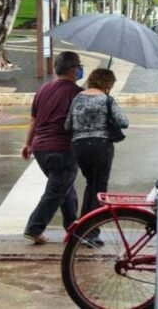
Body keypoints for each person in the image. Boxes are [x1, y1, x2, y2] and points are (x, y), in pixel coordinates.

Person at [22, 51, 84, 244]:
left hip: (41, 148)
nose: (81, 69)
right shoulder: (77, 93)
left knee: (66, 189)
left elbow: (34, 120)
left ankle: (73, 228)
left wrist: (28, 144)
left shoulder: (43, 89)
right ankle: (34, 228)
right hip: (62, 149)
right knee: (56, 191)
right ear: (73, 69)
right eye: (79, 65)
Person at [65, 68, 128, 246]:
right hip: (101, 147)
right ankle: (92, 233)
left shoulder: (77, 98)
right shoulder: (106, 100)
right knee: (99, 189)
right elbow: (124, 122)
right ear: (107, 84)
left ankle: (82, 228)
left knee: (91, 185)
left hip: (79, 147)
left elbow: (67, 124)